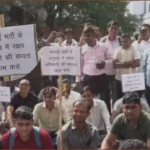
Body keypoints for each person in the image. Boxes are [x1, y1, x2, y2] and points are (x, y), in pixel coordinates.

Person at [76, 25, 111, 112]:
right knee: (87, 101)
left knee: (105, 100)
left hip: (101, 77)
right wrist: (78, 80)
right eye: (85, 36)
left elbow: (111, 59)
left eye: (89, 35)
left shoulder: (103, 46)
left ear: (94, 35)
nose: (86, 38)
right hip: (88, 78)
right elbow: (79, 65)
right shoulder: (82, 49)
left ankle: (106, 120)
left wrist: (104, 63)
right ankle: (89, 117)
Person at [113, 34, 141, 99]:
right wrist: (130, 63)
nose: (124, 43)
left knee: (131, 98)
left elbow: (137, 63)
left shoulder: (134, 49)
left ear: (130, 41)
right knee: (119, 98)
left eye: (126, 41)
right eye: (122, 41)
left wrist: (121, 64)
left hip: (131, 79)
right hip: (119, 78)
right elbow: (114, 64)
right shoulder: (118, 49)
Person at [100, 21, 121, 103]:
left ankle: (116, 113)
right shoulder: (103, 40)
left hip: (117, 72)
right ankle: (107, 114)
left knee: (116, 94)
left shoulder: (120, 40)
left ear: (118, 30)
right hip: (105, 72)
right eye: (111, 28)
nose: (113, 30)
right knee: (105, 95)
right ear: (108, 29)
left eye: (115, 28)